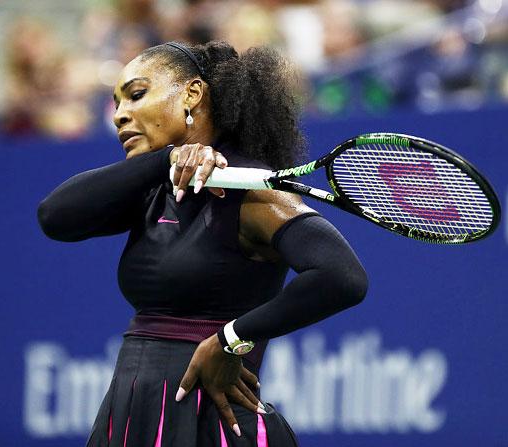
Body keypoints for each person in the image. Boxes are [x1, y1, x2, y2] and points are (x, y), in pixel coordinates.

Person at [37, 40, 368, 446]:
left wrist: (231, 340)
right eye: (116, 102)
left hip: (215, 427)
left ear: (192, 94)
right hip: (129, 422)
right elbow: (55, 217)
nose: (120, 115)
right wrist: (166, 160)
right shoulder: (155, 188)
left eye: (137, 95)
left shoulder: (253, 191)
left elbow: (343, 276)